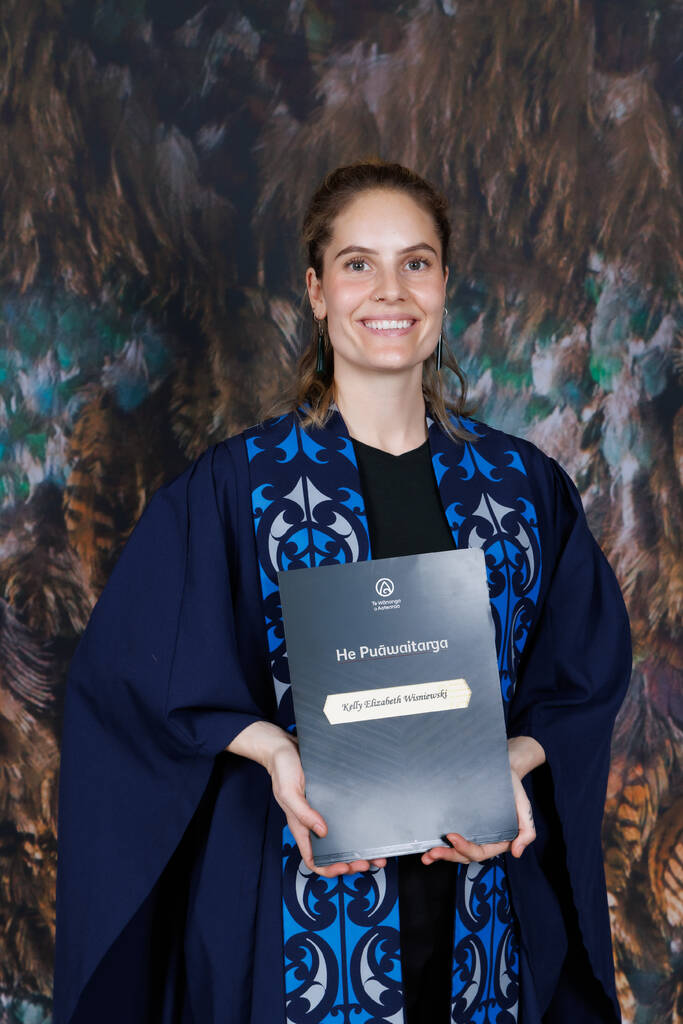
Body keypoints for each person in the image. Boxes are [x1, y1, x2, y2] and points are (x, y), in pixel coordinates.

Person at [53, 161, 631, 1024]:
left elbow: (582, 666)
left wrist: (514, 757)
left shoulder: (518, 487)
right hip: (299, 901)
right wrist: (273, 753)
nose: (388, 291)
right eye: (358, 264)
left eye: (416, 262)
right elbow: (137, 671)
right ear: (318, 291)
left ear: (443, 286)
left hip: (476, 898)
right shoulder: (239, 488)